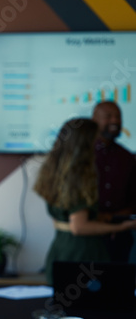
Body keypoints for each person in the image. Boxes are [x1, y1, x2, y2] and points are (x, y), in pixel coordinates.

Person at [34, 118, 136, 285]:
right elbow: (79, 227)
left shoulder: (55, 172)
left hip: (61, 249)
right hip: (82, 254)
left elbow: (66, 218)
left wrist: (101, 217)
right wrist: (123, 227)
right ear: (84, 146)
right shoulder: (79, 177)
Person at [92, 101, 136, 263]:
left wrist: (113, 218)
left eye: (118, 117)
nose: (115, 121)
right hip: (88, 235)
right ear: (94, 120)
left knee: (119, 285)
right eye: (108, 116)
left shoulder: (127, 157)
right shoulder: (84, 156)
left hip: (120, 236)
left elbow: (133, 200)